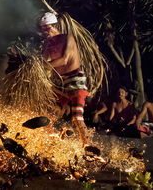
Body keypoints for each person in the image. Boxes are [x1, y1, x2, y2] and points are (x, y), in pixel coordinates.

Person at [39, 11, 105, 152]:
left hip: (75, 80)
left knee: (77, 116)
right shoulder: (47, 44)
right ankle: (50, 141)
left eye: (47, 28)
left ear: (55, 25)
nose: (45, 32)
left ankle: (87, 147)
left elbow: (65, 60)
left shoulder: (67, 38)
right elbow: (42, 61)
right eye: (43, 29)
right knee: (49, 113)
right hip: (60, 83)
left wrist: (42, 65)